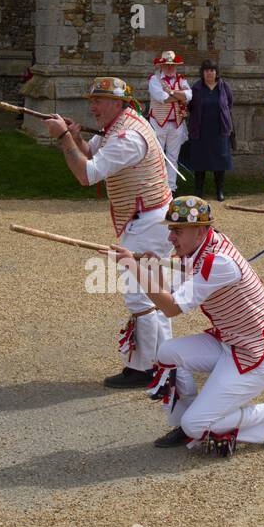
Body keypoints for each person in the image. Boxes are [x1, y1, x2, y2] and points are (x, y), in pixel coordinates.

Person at [105, 196, 264, 457]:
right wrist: (150, 267)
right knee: (166, 353)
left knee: (197, 424)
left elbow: (171, 308)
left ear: (202, 230)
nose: (170, 238)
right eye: (170, 229)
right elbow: (168, 294)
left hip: (256, 355)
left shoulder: (218, 262)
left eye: (177, 230)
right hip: (229, 341)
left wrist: (132, 267)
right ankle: (187, 421)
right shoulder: (201, 248)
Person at [43, 77, 174, 389]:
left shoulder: (128, 136)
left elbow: (87, 175)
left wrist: (62, 137)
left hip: (149, 221)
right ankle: (162, 364)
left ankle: (145, 370)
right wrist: (75, 137)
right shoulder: (120, 126)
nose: (93, 106)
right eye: (92, 99)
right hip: (147, 219)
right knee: (151, 294)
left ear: (119, 103)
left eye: (99, 100)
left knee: (139, 295)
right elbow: (91, 154)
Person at [186, 59, 234, 202]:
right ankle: (198, 190)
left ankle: (219, 190)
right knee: (200, 161)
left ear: (216, 72)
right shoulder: (196, 87)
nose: (209, 73)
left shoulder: (224, 86)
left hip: (219, 130)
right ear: (202, 72)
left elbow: (229, 104)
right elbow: (190, 106)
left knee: (220, 161)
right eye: (207, 70)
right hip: (200, 129)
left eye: (212, 70)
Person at [147, 50, 192, 192]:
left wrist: (172, 92)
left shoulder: (181, 79)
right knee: (157, 156)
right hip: (158, 123)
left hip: (176, 123)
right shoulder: (154, 80)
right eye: (167, 65)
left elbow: (189, 95)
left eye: (172, 65)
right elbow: (162, 98)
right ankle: (157, 188)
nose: (170, 68)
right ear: (161, 66)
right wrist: (179, 96)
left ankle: (171, 188)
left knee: (173, 157)